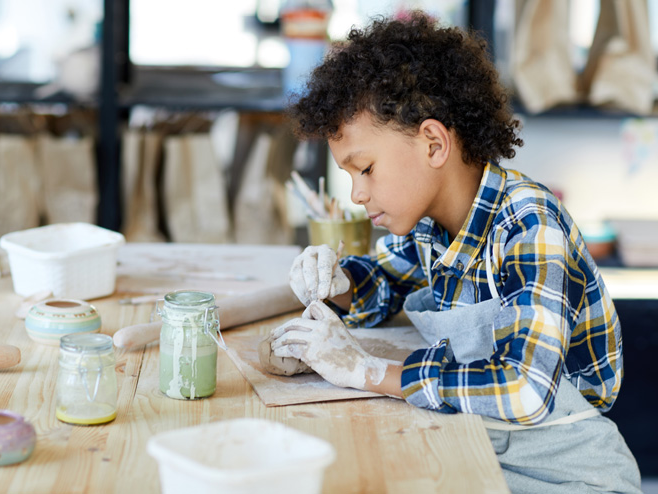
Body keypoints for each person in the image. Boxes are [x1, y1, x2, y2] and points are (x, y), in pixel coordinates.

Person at [272, 11, 641, 494]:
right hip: (480, 444)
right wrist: (339, 285)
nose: (357, 194)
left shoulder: (529, 225)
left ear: (433, 143)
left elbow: (526, 389)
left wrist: (368, 371)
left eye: (365, 169)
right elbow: (382, 284)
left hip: (571, 472)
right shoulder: (431, 224)